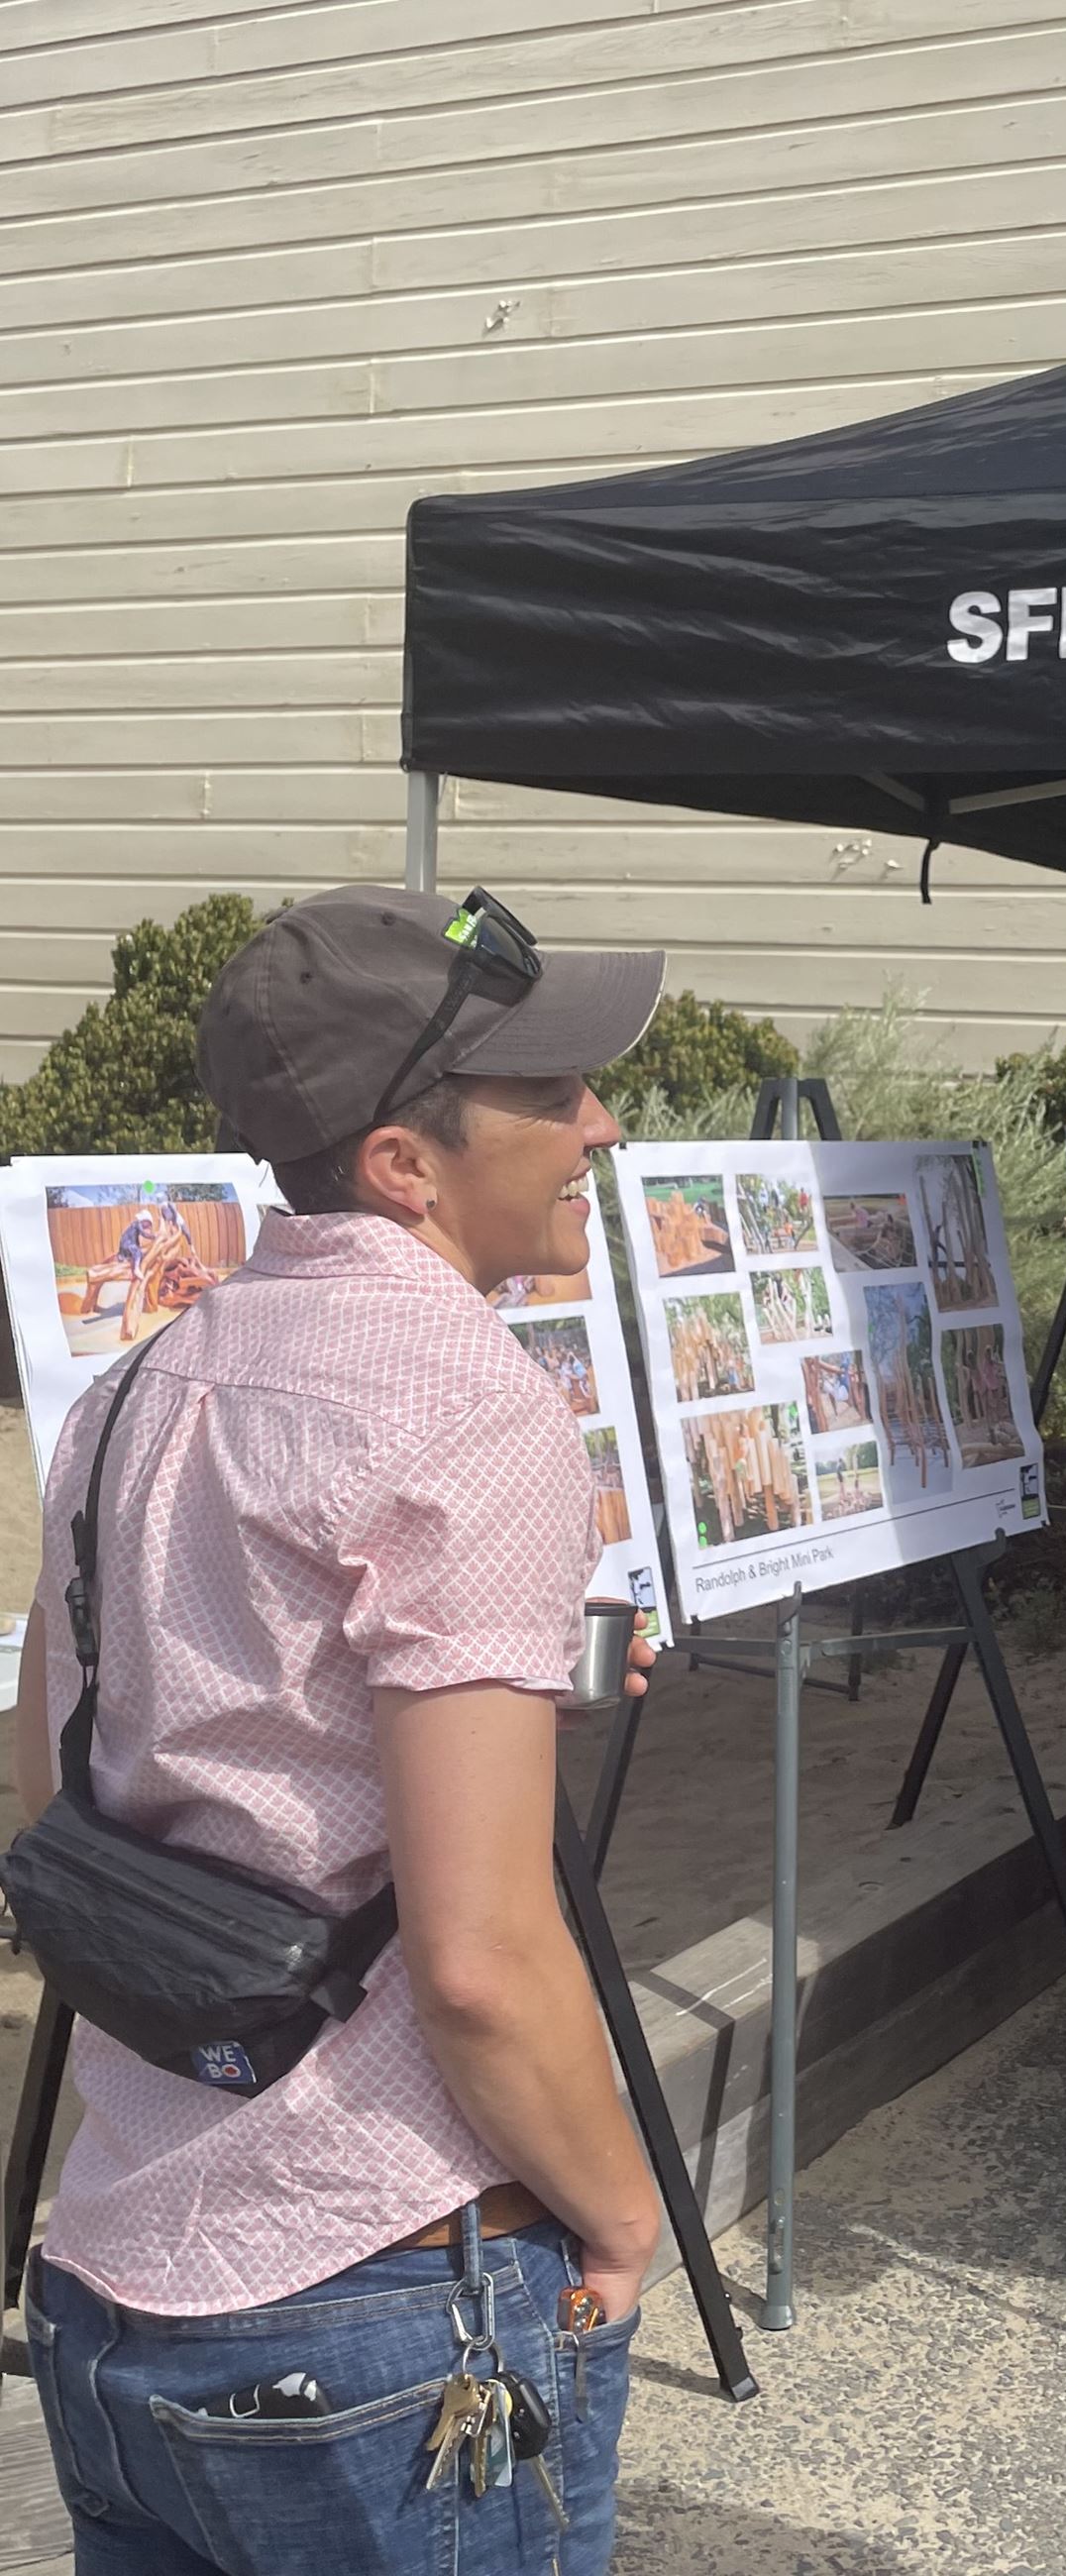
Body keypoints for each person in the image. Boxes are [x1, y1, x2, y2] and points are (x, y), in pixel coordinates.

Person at [15, 885, 668, 2576]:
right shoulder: (470, 1409)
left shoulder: (140, 1383)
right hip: (375, 2297)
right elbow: (475, 1962)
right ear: (405, 1163)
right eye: (556, 1090)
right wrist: (618, 2205)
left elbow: (46, 1789)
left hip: (112, 2283)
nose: (599, 1122)